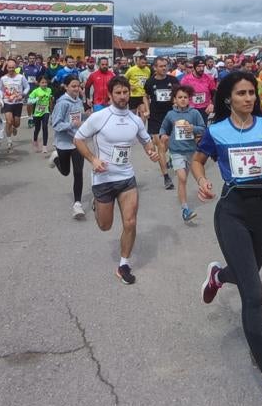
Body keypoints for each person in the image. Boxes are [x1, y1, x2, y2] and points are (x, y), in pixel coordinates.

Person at [194, 70, 262, 406]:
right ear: (228, 98)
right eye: (241, 93)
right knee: (253, 293)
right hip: (231, 212)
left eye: (252, 93)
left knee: (245, 274)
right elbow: (199, 160)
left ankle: (218, 276)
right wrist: (201, 181)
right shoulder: (216, 131)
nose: (248, 98)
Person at [74, 77, 162, 284]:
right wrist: (93, 159)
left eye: (126, 92)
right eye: (118, 93)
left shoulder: (135, 119)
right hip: (103, 178)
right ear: (111, 95)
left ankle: (124, 264)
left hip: (126, 178)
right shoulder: (100, 117)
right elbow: (78, 138)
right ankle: (98, 204)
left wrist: (151, 152)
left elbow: (146, 141)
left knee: (130, 222)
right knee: (105, 226)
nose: (123, 96)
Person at [159, 86, 206, 222]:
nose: (183, 100)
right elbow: (163, 127)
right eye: (180, 97)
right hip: (176, 150)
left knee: (196, 176)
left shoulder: (195, 113)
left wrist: (193, 128)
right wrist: (163, 135)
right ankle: (185, 209)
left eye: (185, 97)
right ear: (175, 99)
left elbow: (203, 129)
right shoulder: (170, 114)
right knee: (182, 178)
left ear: (189, 99)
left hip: (191, 150)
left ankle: (203, 191)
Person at [50, 76, 88, 218]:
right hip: (63, 143)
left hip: (77, 141)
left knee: (78, 172)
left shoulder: (78, 101)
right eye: (73, 86)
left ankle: (77, 204)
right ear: (66, 87)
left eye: (78, 86)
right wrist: (72, 125)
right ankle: (56, 159)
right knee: (65, 172)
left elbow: (77, 118)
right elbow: (56, 124)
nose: (76, 89)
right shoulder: (62, 103)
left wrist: (86, 116)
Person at [144, 57, 180, 190]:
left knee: (167, 144)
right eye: (161, 66)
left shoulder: (173, 80)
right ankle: (166, 177)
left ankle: (166, 158)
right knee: (160, 145)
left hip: (170, 115)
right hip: (155, 117)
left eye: (165, 66)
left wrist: (177, 103)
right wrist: (147, 109)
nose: (164, 68)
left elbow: (179, 94)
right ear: (155, 68)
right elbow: (145, 96)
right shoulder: (150, 82)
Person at [0, 59, 29, 148]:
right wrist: (0, 99)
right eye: (9, 67)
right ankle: (9, 140)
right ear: (7, 68)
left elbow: (27, 87)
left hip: (18, 103)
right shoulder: (3, 78)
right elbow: (0, 90)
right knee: (9, 121)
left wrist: (22, 94)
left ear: (15, 68)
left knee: (16, 123)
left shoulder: (21, 77)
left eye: (13, 67)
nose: (11, 69)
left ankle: (14, 127)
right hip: (7, 102)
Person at [182, 56, 217, 121]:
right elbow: (181, 95)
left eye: (203, 66)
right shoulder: (186, 79)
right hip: (190, 109)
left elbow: (214, 93)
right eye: (199, 66)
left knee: (202, 129)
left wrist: (212, 104)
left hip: (205, 109)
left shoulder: (209, 78)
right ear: (194, 67)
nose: (201, 69)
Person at [27, 75, 53, 154]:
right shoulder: (36, 91)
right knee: (37, 129)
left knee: (45, 127)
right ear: (38, 83)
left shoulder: (49, 90)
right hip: (36, 112)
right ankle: (35, 140)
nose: (44, 84)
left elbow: (50, 100)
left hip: (45, 111)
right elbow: (29, 101)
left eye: (45, 82)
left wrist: (51, 111)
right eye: (42, 83)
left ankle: (44, 146)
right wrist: (36, 99)